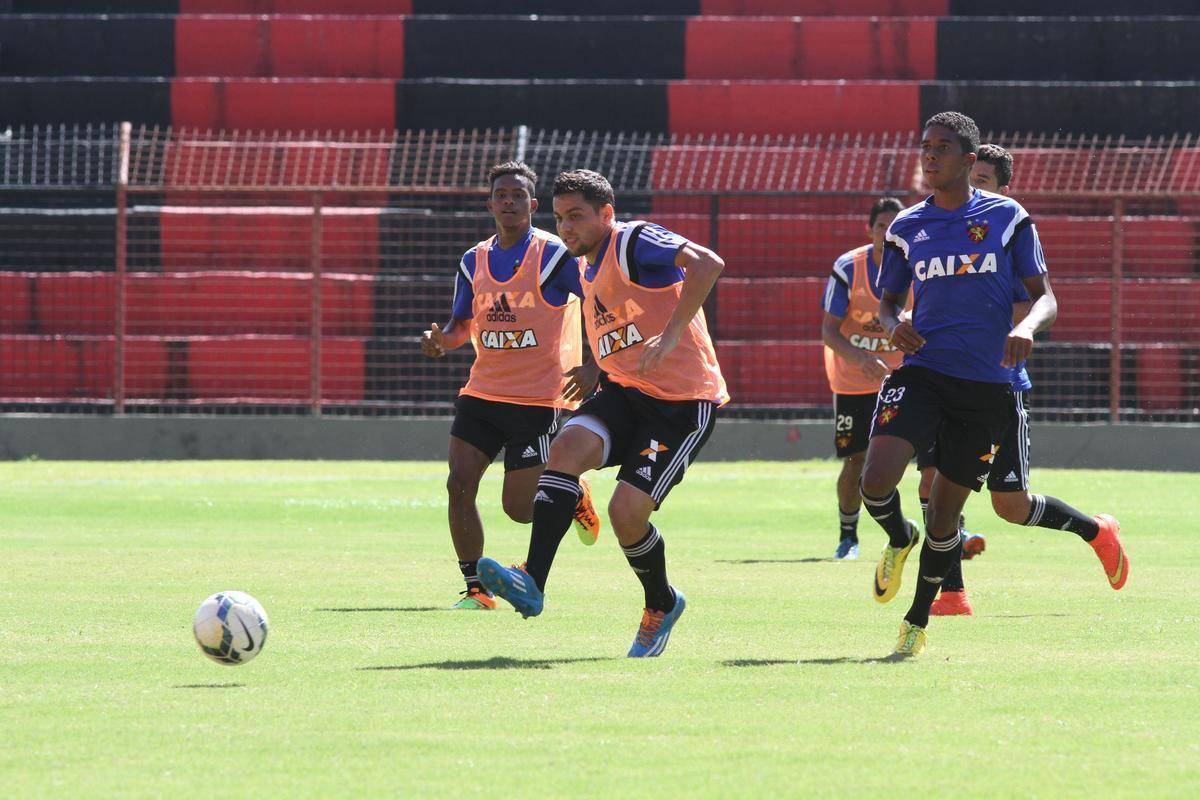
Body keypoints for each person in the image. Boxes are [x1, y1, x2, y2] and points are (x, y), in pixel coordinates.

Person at [860, 111, 1129, 655]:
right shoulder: (907, 227)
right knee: (877, 479)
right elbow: (887, 302)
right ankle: (898, 536)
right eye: (925, 147)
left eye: (942, 147)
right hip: (924, 373)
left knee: (967, 511)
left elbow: (1045, 294)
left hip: (989, 387)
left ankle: (918, 621)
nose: (930, 156)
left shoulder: (1006, 217)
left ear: (968, 158)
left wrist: (1027, 326)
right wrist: (895, 326)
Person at [476, 169, 729, 657]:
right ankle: (531, 581)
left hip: (679, 404)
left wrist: (674, 334)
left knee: (625, 514)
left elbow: (707, 263)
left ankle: (662, 602)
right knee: (565, 449)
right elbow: (616, 326)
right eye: (560, 218)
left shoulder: (633, 240)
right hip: (625, 391)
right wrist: (597, 367)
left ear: (606, 215)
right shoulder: (586, 266)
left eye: (577, 217)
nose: (566, 228)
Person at [926, 143, 1127, 616]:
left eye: (982, 182)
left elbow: (1031, 303)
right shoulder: (934, 229)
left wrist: (1004, 324)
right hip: (944, 383)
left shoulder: (1004, 238)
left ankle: (1097, 531)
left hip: (997, 386)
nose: (970, 188)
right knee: (932, 482)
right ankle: (952, 593)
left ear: (1002, 190)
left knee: (1009, 507)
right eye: (967, 177)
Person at [420, 161, 601, 611]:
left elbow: (598, 301)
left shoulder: (554, 254)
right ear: (490, 204)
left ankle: (572, 491)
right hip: (482, 394)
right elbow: (463, 324)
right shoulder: (473, 260)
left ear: (533, 205)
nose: (508, 202)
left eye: (517, 195)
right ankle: (476, 590)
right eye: (500, 194)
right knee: (459, 485)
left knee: (519, 510)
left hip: (540, 400)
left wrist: (597, 363)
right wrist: (444, 340)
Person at [820, 196, 906, 560]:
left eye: (893, 227)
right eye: (881, 226)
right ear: (870, 230)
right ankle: (848, 537)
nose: (887, 234)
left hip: (903, 379)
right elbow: (829, 332)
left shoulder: (918, 266)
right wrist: (862, 358)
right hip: (853, 380)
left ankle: (952, 530)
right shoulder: (848, 268)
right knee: (856, 460)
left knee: (930, 456)